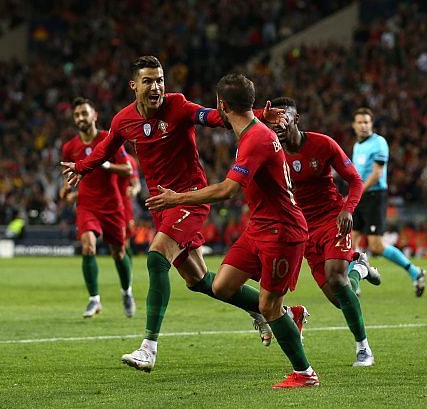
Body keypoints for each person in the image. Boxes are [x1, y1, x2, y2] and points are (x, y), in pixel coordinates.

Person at [61, 56, 289, 372]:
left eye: (160, 80)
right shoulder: (123, 120)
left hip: (190, 197)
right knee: (198, 280)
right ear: (134, 86)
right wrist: (83, 168)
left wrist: (260, 113)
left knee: (156, 257)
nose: (156, 87)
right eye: (148, 81)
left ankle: (148, 347)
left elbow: (213, 116)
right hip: (163, 203)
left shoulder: (178, 106)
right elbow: (107, 149)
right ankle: (271, 310)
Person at [147, 74, 319, 389]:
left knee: (268, 305)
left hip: (283, 231)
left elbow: (227, 190)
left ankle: (305, 373)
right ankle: (288, 314)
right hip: (259, 227)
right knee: (222, 285)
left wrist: (177, 198)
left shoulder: (255, 139)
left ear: (221, 105)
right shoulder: (254, 132)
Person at [267, 97, 379, 367]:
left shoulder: (323, 144)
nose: (279, 125)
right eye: (273, 122)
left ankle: (364, 348)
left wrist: (348, 210)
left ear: (297, 119)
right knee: (340, 298)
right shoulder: (270, 152)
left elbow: (355, 180)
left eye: (284, 118)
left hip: (333, 219)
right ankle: (359, 269)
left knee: (335, 278)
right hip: (303, 229)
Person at [60, 97, 136, 319]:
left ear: (95, 115)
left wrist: (106, 164)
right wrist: (65, 191)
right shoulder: (69, 148)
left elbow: (128, 170)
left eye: (85, 113)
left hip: (112, 205)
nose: (81, 118)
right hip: (87, 205)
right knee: (88, 246)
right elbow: (68, 179)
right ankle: (94, 299)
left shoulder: (109, 139)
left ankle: (127, 292)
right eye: (77, 115)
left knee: (118, 253)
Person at [351, 107, 426, 297]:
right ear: (354, 125)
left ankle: (415, 272)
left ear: (372, 124)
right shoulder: (357, 146)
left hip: (375, 196)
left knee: (376, 246)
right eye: (360, 122)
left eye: (367, 122)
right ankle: (354, 285)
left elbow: (376, 174)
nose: (363, 126)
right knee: (349, 241)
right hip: (360, 196)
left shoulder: (379, 143)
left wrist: (357, 191)